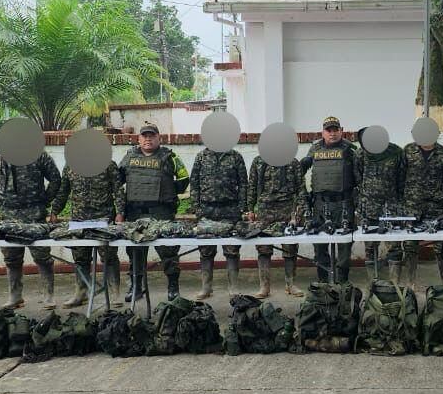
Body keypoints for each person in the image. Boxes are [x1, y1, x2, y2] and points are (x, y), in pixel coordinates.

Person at [118, 122, 190, 299]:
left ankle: (173, 288)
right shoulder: (128, 157)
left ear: (159, 138)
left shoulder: (170, 157)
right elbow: (117, 182)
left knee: (168, 252)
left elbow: (184, 178)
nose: (148, 139)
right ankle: (136, 287)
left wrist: (167, 191)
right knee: (135, 251)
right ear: (139, 139)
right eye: (144, 136)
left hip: (161, 212)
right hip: (135, 212)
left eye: (152, 135)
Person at [0, 148, 60, 309]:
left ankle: (48, 295)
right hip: (8, 214)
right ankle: (15, 296)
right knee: (11, 257)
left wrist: (45, 200)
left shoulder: (39, 154)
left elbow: (55, 178)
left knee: (42, 256)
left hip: (35, 214)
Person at [52, 158, 124, 309]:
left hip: (104, 218)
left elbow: (118, 189)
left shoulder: (108, 164)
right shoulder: (70, 165)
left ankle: (115, 292)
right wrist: (55, 211)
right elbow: (63, 190)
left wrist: (120, 213)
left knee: (109, 256)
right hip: (79, 220)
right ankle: (81, 292)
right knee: (80, 258)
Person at [301, 116, 359, 284]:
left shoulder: (350, 149)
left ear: (341, 130)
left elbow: (360, 176)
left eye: (335, 130)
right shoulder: (314, 149)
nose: (332, 133)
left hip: (344, 204)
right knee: (319, 246)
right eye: (329, 130)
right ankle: (323, 284)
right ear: (323, 132)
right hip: (320, 204)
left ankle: (342, 284)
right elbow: (299, 171)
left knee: (344, 247)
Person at [190, 143, 248, 300]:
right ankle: (206, 287)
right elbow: (194, 184)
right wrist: (197, 208)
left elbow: (243, 184)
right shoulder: (201, 157)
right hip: (207, 211)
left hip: (230, 210)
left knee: (232, 250)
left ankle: (233, 287)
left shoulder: (235, 157)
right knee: (206, 250)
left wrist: (241, 208)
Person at [246, 153, 307, 298]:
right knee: (263, 248)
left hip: (287, 209)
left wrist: (298, 213)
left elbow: (301, 189)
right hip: (264, 210)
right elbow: (252, 187)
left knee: (290, 247)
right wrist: (249, 209)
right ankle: (264, 287)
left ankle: (290, 284)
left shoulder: (293, 162)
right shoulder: (258, 161)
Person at [399, 134, 443, 289]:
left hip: (435, 205)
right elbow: (401, 174)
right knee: (410, 245)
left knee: (441, 245)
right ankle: (410, 284)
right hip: (412, 205)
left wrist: (432, 189)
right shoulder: (408, 150)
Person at [355, 127, 405, 281]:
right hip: (368, 207)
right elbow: (358, 177)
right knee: (370, 247)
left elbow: (402, 178)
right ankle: (373, 284)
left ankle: (394, 285)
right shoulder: (360, 154)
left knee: (394, 247)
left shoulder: (396, 152)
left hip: (390, 207)